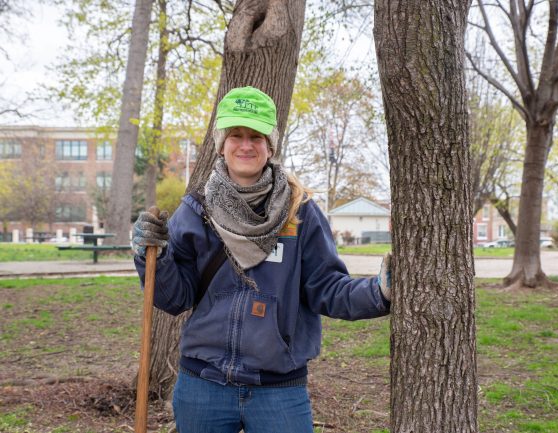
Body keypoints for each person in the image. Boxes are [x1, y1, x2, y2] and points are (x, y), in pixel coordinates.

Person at [132, 86, 392, 433]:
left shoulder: (300, 215)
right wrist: (153, 256)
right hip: (203, 385)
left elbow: (327, 288)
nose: (245, 145)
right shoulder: (196, 210)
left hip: (278, 391)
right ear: (221, 144)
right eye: (235, 135)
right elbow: (173, 298)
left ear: (270, 145)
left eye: (256, 136)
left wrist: (380, 292)